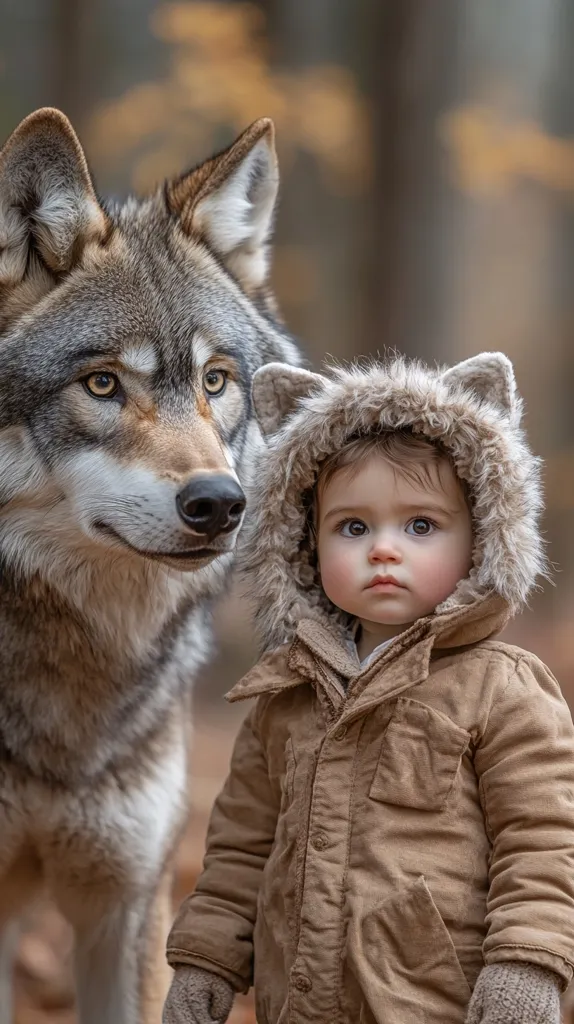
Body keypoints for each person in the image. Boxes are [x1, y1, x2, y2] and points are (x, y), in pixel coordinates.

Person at [163, 353, 574, 1024]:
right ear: (304, 542)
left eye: (420, 526)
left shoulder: (503, 690)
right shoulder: (286, 698)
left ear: (480, 539)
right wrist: (204, 960)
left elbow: (544, 840)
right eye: (353, 527)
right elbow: (240, 849)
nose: (384, 549)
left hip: (435, 1001)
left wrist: (526, 961)